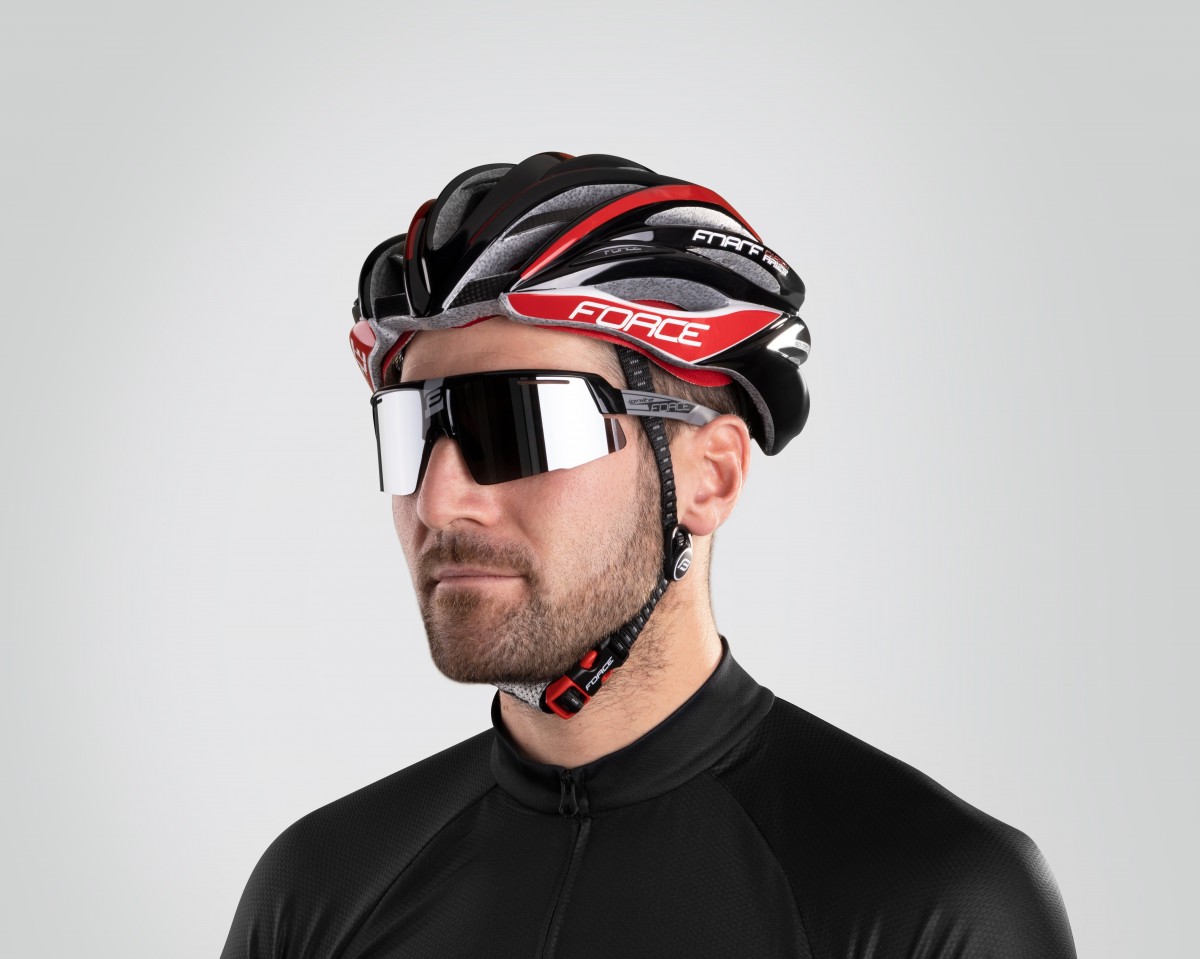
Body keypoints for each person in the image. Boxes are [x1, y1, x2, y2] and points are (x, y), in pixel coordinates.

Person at [220, 152, 1078, 958]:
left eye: (521, 423)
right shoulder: (317, 888)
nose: (440, 500)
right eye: (409, 430)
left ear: (710, 477)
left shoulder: (933, 900)